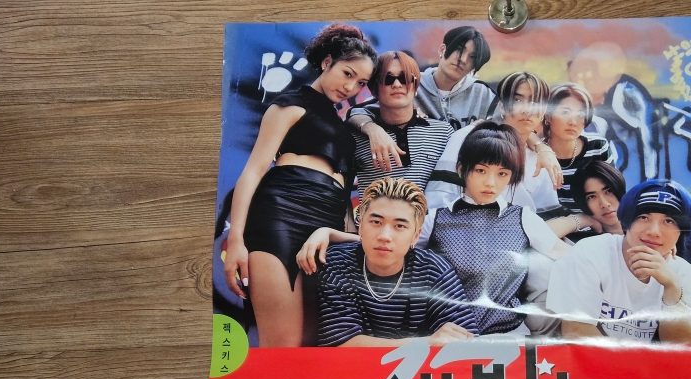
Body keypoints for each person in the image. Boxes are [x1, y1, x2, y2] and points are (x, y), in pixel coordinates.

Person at [222, 24, 376, 347]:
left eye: (360, 83)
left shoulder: (345, 127)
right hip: (281, 216)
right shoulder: (291, 104)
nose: (350, 87)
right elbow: (253, 172)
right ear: (327, 62)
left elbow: (345, 195)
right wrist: (235, 240)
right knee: (284, 345)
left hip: (327, 229)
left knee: (313, 344)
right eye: (347, 74)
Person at [417, 122, 570, 336]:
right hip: (448, 338)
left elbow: (569, 257)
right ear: (461, 169)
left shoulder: (523, 218)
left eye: (502, 173)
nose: (491, 183)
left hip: (508, 337)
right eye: (481, 170)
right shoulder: (435, 220)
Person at [295, 178, 478, 347]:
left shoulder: (434, 271)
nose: (384, 236)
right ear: (361, 225)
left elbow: (467, 341)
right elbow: (341, 343)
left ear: (416, 235)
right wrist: (426, 343)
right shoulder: (337, 263)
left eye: (399, 226)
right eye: (376, 222)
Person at [546, 179, 691, 343]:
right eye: (644, 217)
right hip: (590, 360)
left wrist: (672, 289)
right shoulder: (592, 252)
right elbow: (576, 331)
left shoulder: (682, 272)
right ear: (627, 220)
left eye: (668, 221)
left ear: (681, 232)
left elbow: (677, 345)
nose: (654, 231)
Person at [567, 167, 691, 309]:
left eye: (609, 191)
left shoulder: (674, 240)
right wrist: (582, 219)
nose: (604, 203)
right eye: (591, 197)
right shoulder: (591, 244)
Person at [346, 26, 495, 173]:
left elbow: (500, 137)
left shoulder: (483, 94)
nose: (462, 59)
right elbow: (358, 112)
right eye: (459, 50)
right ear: (442, 50)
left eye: (472, 57)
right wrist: (372, 129)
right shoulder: (409, 83)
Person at [425, 72, 561, 218]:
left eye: (535, 103)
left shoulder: (541, 159)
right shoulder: (468, 137)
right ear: (502, 106)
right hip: (459, 227)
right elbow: (439, 198)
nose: (526, 109)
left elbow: (546, 215)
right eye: (517, 100)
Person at [349, 51, 454, 202]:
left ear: (415, 86)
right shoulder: (355, 137)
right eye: (388, 79)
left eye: (405, 78)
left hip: (427, 217)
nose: (397, 84)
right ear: (374, 89)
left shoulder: (444, 133)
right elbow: (340, 193)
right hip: (372, 217)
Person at [541, 83, 611, 241]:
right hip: (552, 236)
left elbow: (612, 197)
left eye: (581, 114)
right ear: (548, 115)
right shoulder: (537, 155)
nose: (573, 121)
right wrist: (584, 220)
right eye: (565, 112)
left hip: (597, 234)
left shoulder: (597, 147)